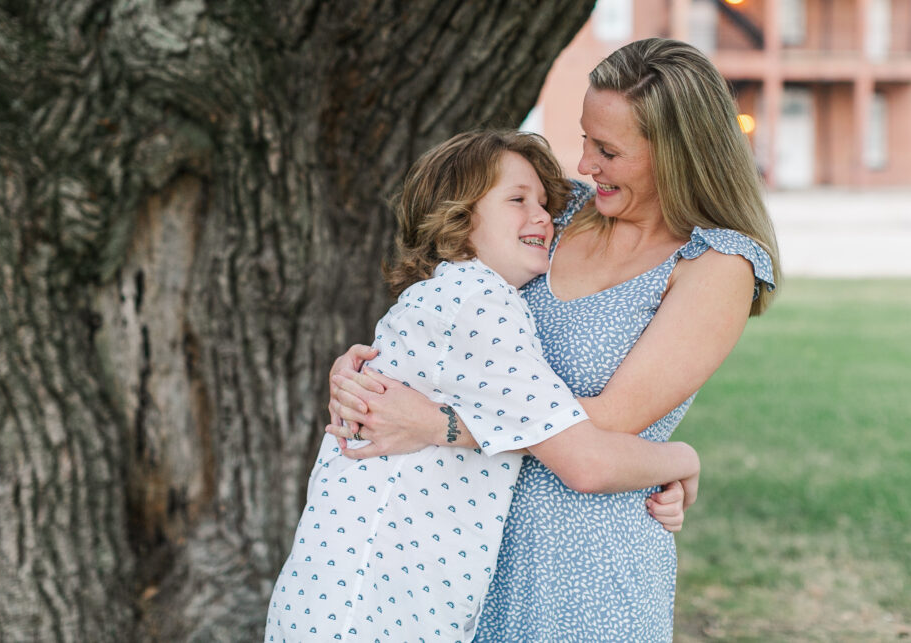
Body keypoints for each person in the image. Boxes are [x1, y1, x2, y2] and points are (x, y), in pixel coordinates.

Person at [327, 38, 781, 641]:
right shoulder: (557, 212)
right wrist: (364, 381)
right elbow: (444, 319)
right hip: (456, 541)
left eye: (609, 150)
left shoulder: (717, 266)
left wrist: (432, 424)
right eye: (586, 138)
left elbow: (597, 426)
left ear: (676, 155)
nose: (586, 163)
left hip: (584, 567)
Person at [265, 130, 702, 642]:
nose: (543, 217)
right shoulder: (480, 307)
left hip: (364, 594)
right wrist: (683, 460)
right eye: (517, 200)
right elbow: (585, 460)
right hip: (368, 606)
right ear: (457, 215)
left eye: (543, 202)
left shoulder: (452, 295)